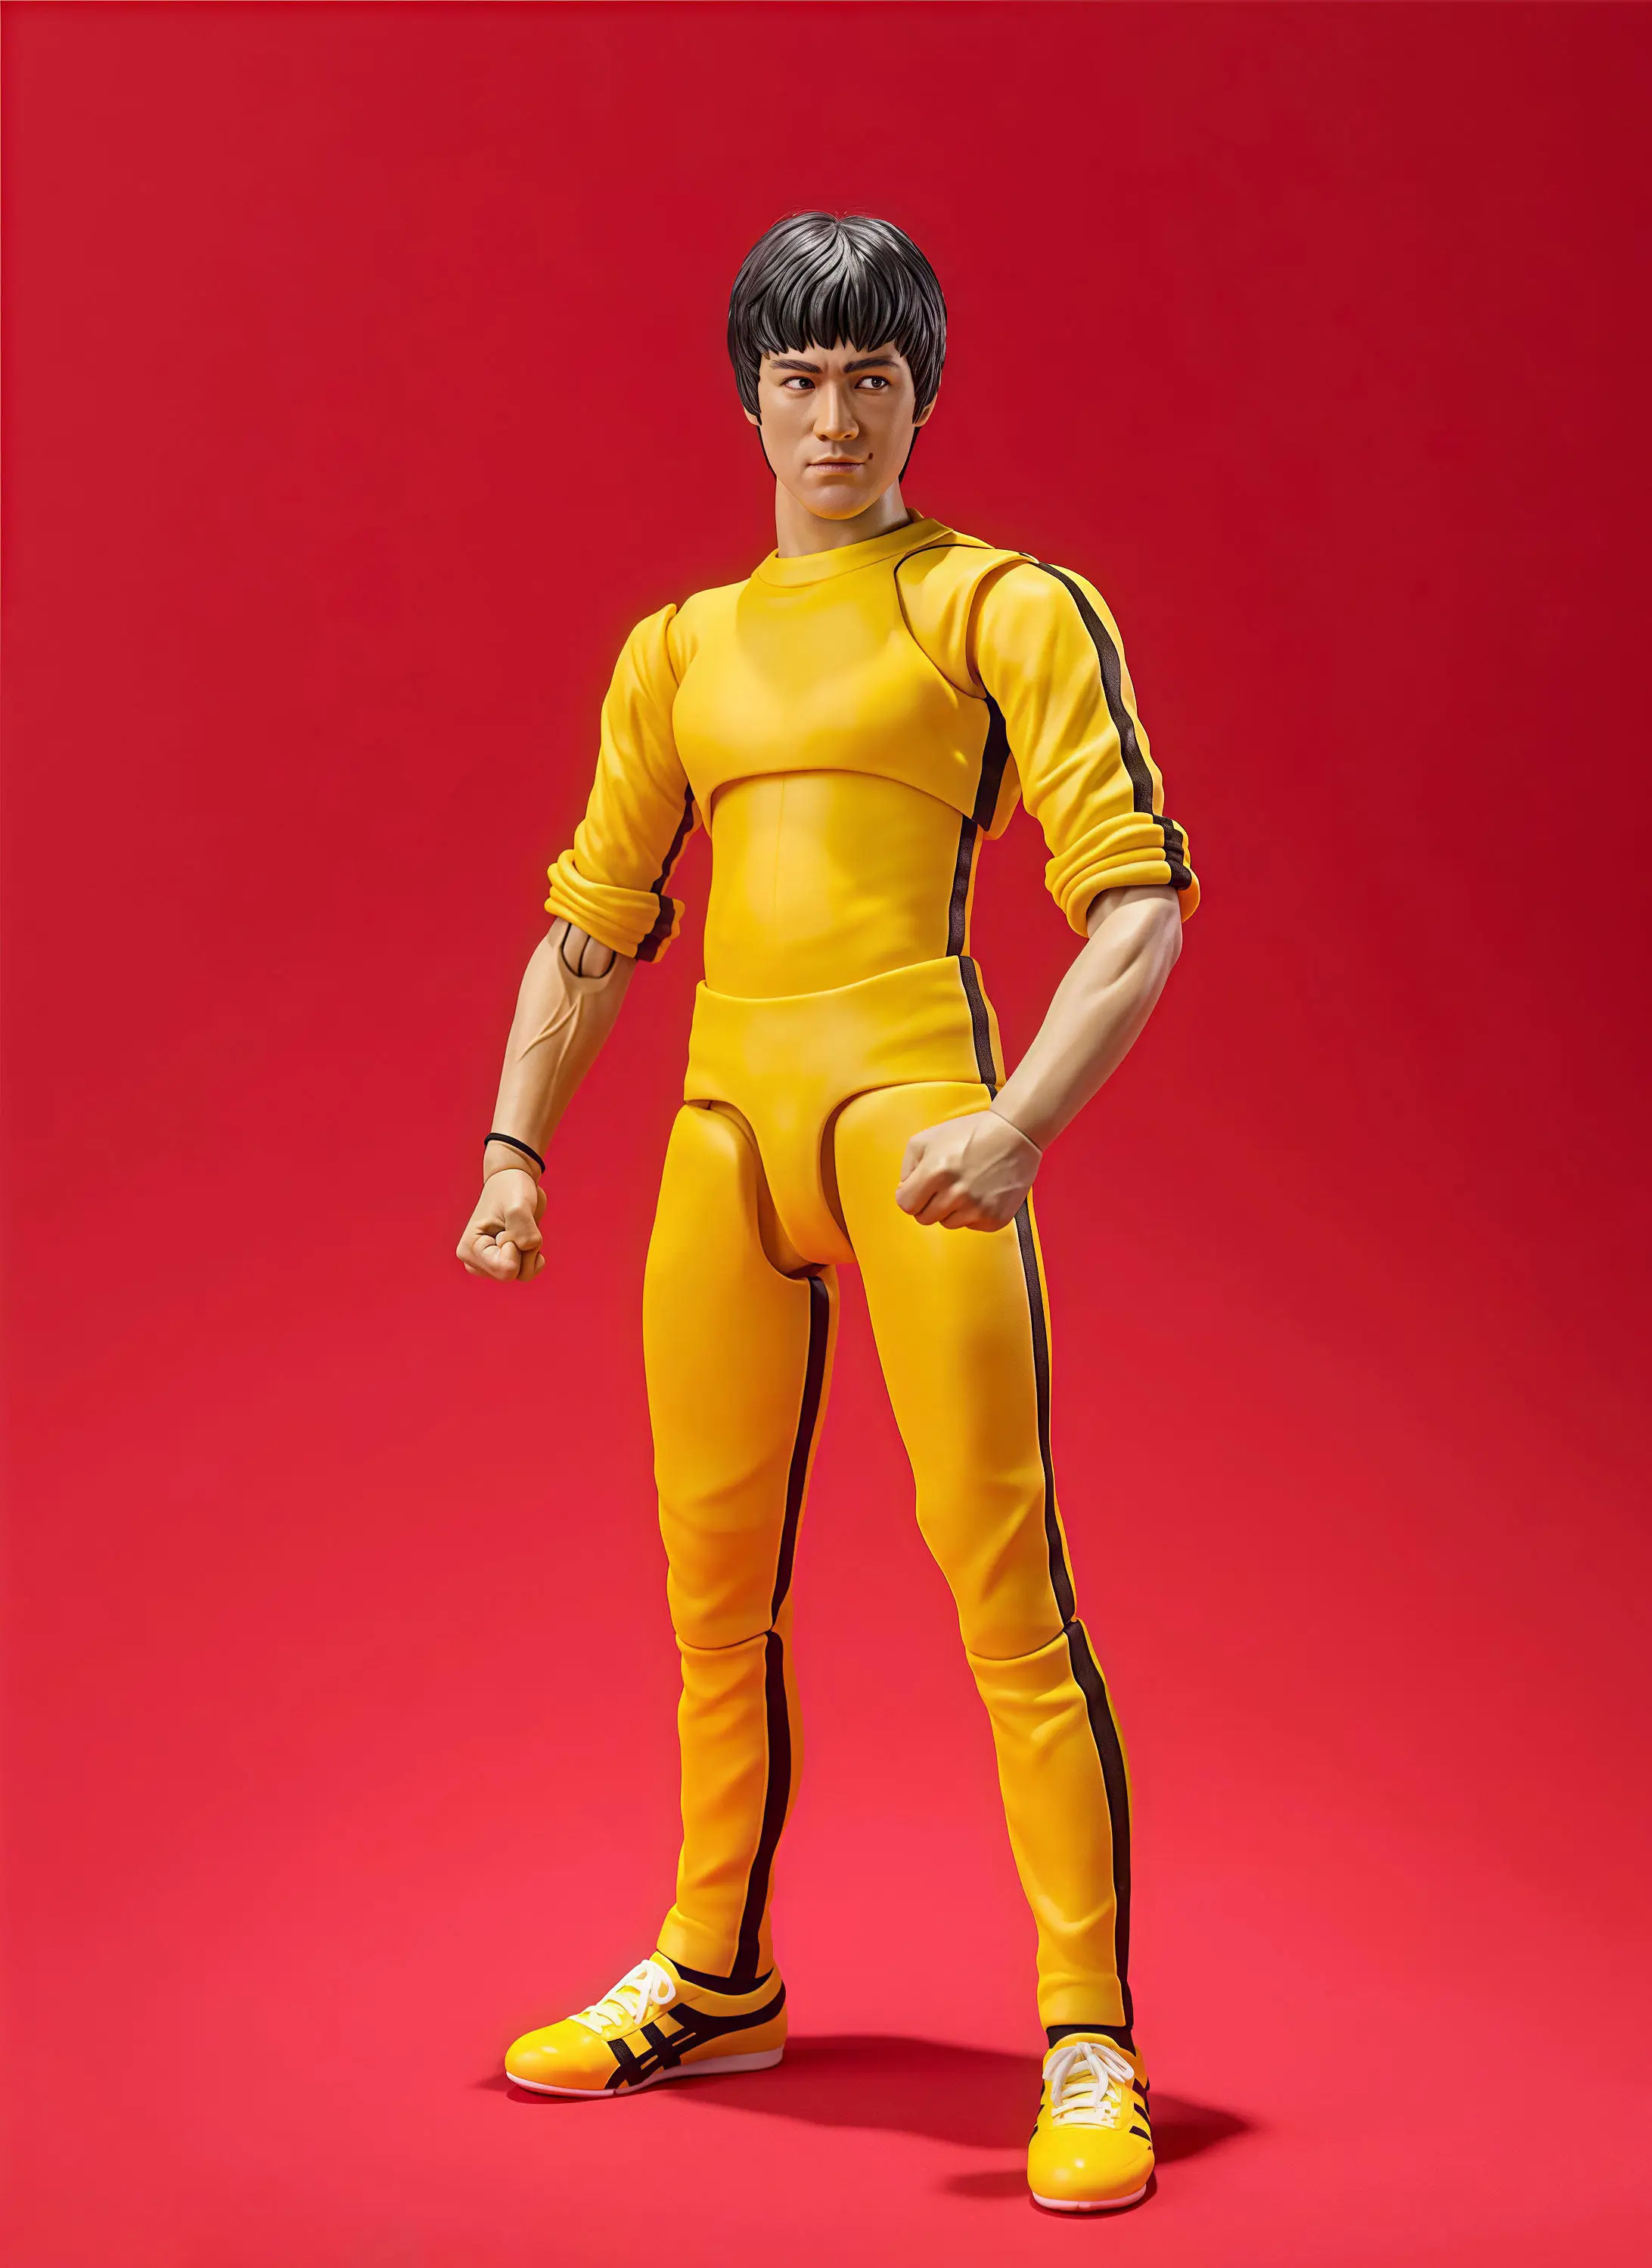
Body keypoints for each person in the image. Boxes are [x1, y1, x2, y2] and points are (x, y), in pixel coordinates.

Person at [457, 211, 1197, 2214]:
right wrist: (516, 1149)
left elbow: (1138, 899)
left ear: (921, 394)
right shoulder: (679, 648)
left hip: (916, 1121)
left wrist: (1022, 1121)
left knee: (1006, 1588)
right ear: (750, 398)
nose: (837, 418)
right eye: (802, 379)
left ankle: (1088, 2030)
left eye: (875, 379)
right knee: (710, 1599)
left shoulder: (997, 605)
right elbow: (595, 920)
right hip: (723, 1139)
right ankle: (715, 1972)